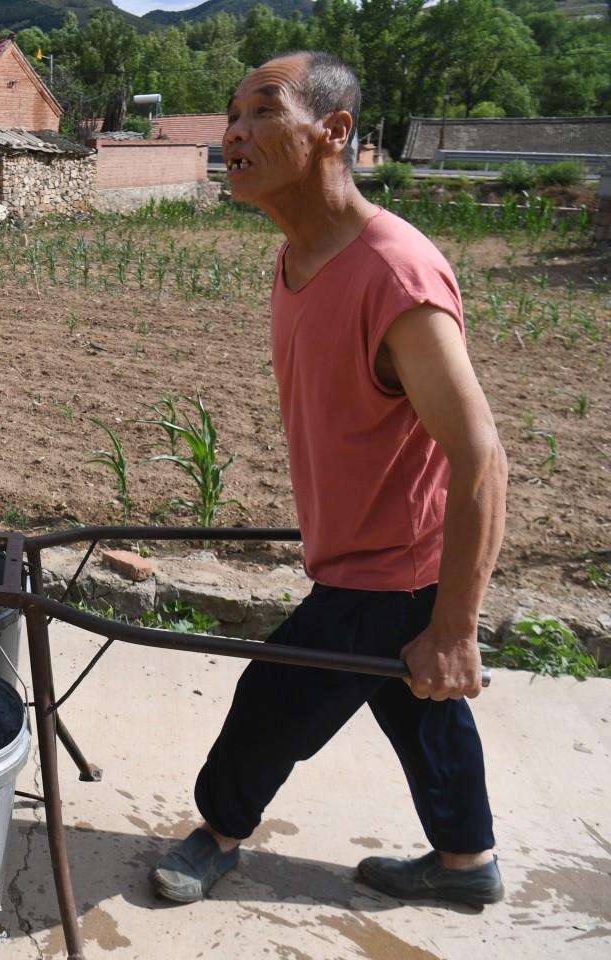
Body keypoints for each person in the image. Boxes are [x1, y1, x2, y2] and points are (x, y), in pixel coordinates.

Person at [151, 51, 509, 907]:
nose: (235, 131)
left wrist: (457, 623)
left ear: (334, 132)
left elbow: (482, 454)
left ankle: (218, 833)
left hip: (387, 567)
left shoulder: (393, 275)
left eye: (263, 110)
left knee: (273, 700)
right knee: (418, 705)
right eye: (231, 114)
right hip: (371, 554)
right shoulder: (299, 258)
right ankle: (467, 865)